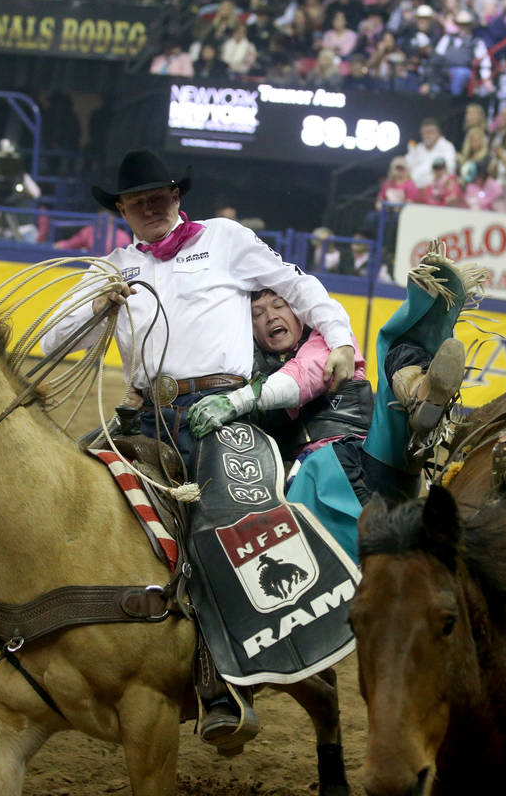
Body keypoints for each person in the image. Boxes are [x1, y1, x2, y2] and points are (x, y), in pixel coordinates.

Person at [39, 149, 357, 748]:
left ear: (176, 196)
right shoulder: (112, 268)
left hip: (220, 415)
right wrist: (98, 304)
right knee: (53, 488)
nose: (150, 205)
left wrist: (338, 337)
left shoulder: (226, 239)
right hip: (142, 415)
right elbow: (57, 334)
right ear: (123, 210)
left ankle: (221, 681)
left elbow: (298, 284)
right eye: (137, 200)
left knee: (219, 527)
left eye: (159, 195)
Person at [188, 243, 478, 559]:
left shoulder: (331, 339)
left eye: (279, 305)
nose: (270, 316)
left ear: (298, 310)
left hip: (369, 455)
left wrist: (243, 399)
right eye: (257, 313)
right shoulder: (247, 371)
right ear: (250, 328)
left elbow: (305, 376)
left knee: (393, 349)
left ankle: (421, 391)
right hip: (305, 476)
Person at [53, 209, 131, 255]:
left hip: (114, 267)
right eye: (101, 219)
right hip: (92, 265)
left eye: (108, 220)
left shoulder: (123, 236)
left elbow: (128, 254)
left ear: (113, 220)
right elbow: (73, 242)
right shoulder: (89, 231)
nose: (104, 222)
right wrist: (61, 245)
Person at [406, 117, 457, 185]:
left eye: (430, 132)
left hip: (438, 188)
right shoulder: (417, 148)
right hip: (415, 190)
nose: (427, 135)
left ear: (438, 133)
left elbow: (449, 169)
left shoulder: (447, 146)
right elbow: (406, 168)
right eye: (424, 133)